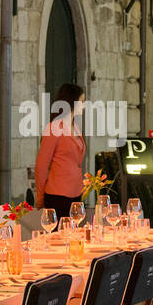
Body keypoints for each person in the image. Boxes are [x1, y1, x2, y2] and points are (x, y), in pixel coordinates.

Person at [34, 82, 86, 220]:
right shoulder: (54, 128)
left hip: (75, 192)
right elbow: (41, 165)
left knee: (74, 237)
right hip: (58, 194)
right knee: (59, 238)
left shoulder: (75, 127)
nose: (84, 105)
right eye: (82, 101)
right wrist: (40, 196)